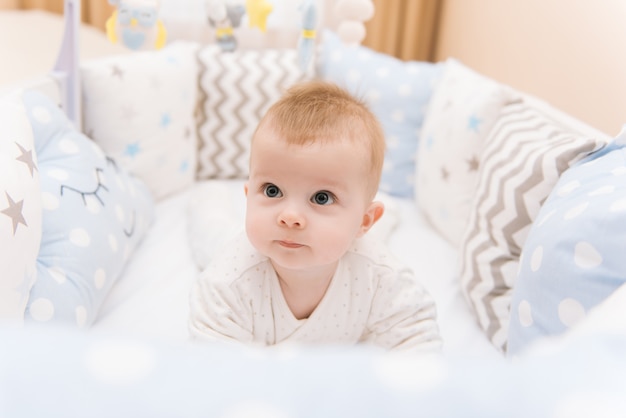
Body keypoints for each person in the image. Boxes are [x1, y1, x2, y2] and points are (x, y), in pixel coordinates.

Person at [188, 80, 442, 352]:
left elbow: (418, 337)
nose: (290, 217)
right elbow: (213, 364)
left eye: (322, 198)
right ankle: (206, 197)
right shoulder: (229, 281)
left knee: (365, 243)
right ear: (249, 195)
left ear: (365, 220)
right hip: (235, 247)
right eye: (272, 191)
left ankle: (386, 215)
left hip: (355, 243)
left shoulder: (377, 276)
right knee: (212, 230)